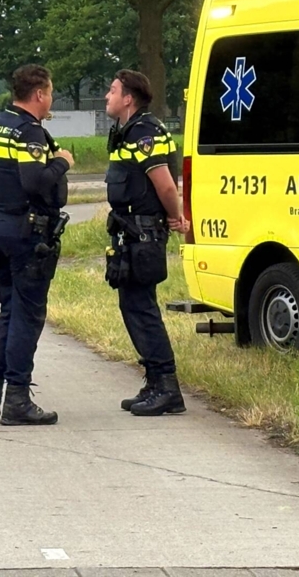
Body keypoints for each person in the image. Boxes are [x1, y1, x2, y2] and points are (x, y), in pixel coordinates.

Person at [0, 64, 74, 426]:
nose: (52, 98)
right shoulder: (29, 132)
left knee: (9, 311)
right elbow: (34, 181)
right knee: (28, 315)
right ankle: (17, 399)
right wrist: (61, 162)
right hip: (25, 234)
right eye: (51, 92)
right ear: (39, 94)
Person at [104, 69, 189, 417]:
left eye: (112, 91)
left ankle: (167, 387)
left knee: (141, 308)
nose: (107, 96)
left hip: (144, 233)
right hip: (130, 232)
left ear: (128, 98)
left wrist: (176, 217)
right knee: (134, 306)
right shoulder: (126, 131)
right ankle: (154, 382)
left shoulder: (144, 132)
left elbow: (166, 185)